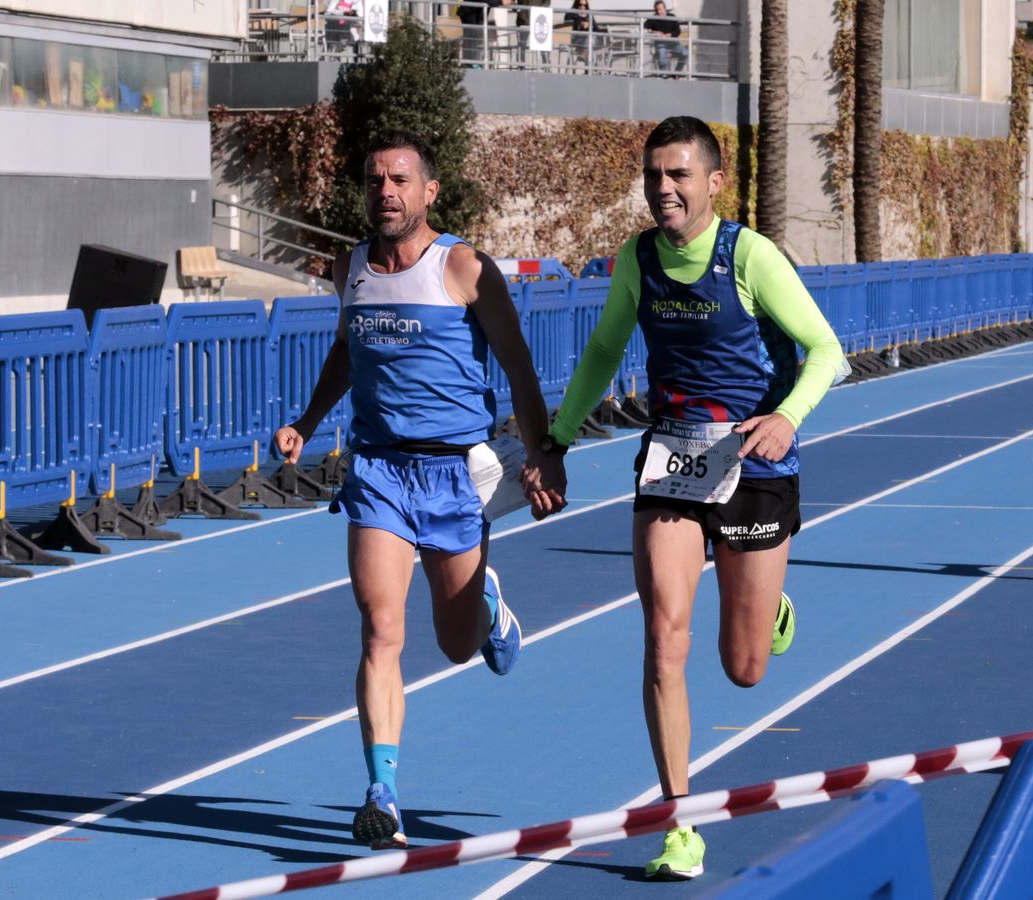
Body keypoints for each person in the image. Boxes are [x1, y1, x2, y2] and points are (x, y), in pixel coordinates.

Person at [528, 116, 846, 880]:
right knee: (664, 638)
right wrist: (558, 439)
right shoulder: (639, 258)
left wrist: (785, 417)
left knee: (743, 668)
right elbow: (606, 347)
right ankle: (681, 824)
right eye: (653, 176)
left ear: (713, 181)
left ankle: (768, 609)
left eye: (678, 176)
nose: (663, 189)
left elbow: (827, 350)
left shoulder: (751, 256)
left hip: (755, 458)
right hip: (672, 453)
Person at [275, 129, 568, 851]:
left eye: (400, 180)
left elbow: (520, 370)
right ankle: (382, 793)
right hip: (377, 469)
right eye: (375, 180)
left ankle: (486, 603)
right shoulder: (353, 267)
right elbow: (347, 349)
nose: (386, 192)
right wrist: (308, 422)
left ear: (429, 191)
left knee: (457, 646)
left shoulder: (463, 267)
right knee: (380, 631)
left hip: (453, 474)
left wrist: (543, 456)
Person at [644, 1, 687, 75]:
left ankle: (677, 73)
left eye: (660, 9)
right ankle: (664, 76)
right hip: (661, 45)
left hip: (674, 44)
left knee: (685, 53)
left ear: (665, 9)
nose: (659, 11)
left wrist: (670, 34)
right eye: (657, 10)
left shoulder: (672, 16)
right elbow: (645, 26)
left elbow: (678, 31)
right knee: (662, 58)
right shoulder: (653, 18)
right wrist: (655, 32)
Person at [563, 0, 599, 68]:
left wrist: (589, 25)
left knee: (590, 41)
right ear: (576, 4)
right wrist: (580, 25)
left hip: (588, 40)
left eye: (584, 5)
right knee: (590, 43)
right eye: (580, 4)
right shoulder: (571, 12)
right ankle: (589, 71)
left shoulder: (589, 13)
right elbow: (566, 25)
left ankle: (584, 54)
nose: (582, 7)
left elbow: (596, 27)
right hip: (576, 39)